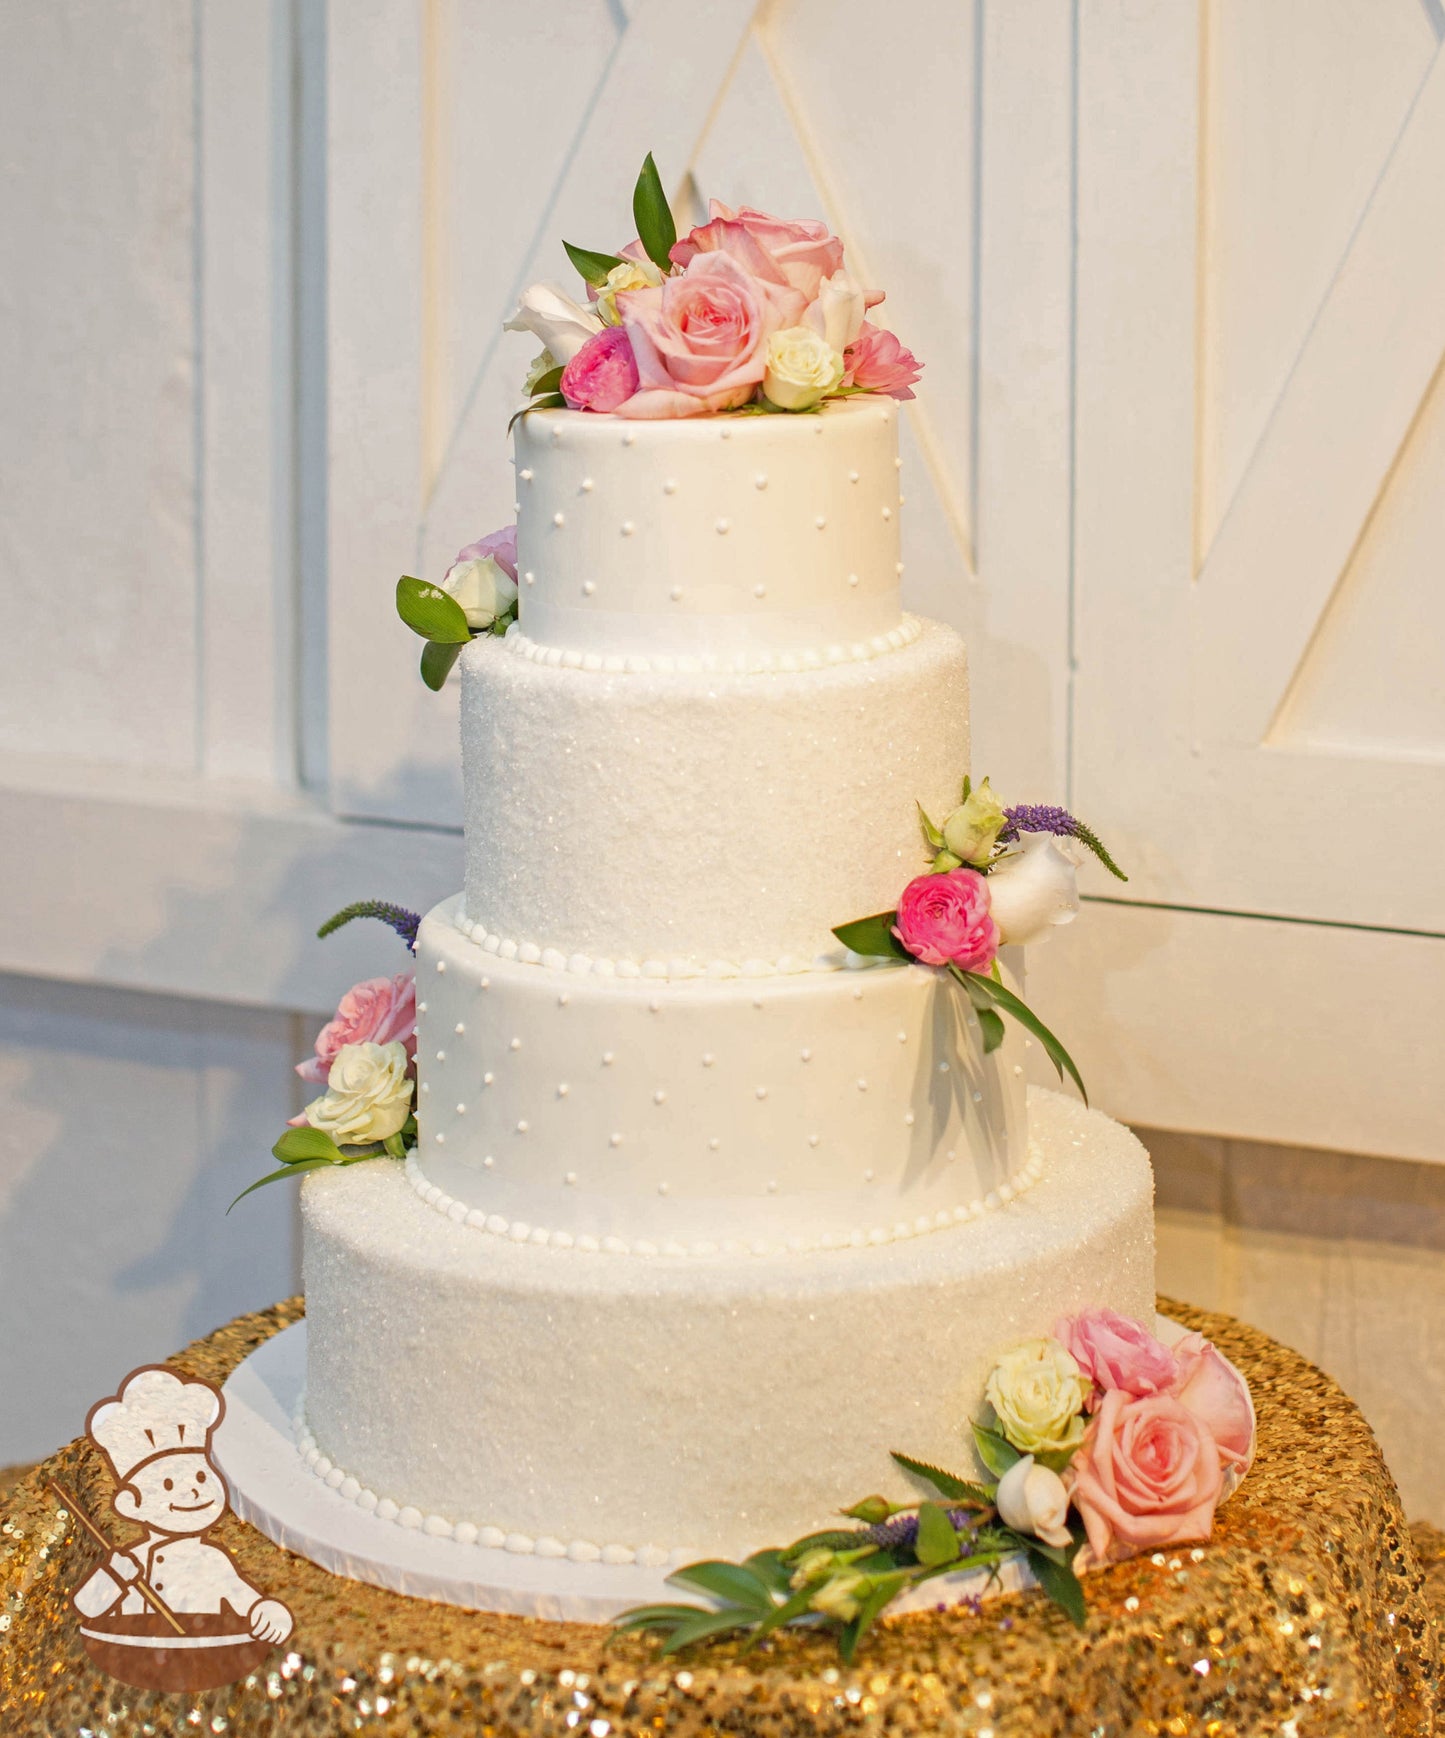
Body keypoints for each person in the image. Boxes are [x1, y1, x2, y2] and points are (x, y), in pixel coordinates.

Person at [72, 1365, 292, 1644]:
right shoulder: (131, 1562)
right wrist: (114, 1576)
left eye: (201, 1476)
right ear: (131, 1504)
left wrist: (268, 1612)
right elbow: (88, 1607)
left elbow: (248, 1602)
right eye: (167, 1484)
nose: (193, 1490)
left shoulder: (213, 1560)